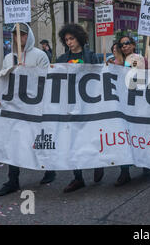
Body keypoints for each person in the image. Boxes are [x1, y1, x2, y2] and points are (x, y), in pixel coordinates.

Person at [0, 23, 56, 197]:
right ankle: (13, 180)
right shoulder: (8, 58)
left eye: (22, 35)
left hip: (35, 107)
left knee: (38, 140)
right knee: (13, 142)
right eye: (15, 35)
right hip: (14, 108)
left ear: (29, 36)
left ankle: (49, 169)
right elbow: (3, 80)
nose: (18, 38)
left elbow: (45, 80)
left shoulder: (40, 56)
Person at [56, 23, 104, 193]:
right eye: (66, 39)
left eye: (72, 38)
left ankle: (98, 163)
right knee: (73, 141)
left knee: (91, 137)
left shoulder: (91, 56)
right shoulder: (62, 60)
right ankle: (78, 177)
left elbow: (100, 78)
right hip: (70, 105)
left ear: (79, 38)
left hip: (89, 104)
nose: (69, 42)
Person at [114, 35, 150, 186]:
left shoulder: (139, 59)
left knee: (141, 133)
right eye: (122, 45)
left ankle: (147, 163)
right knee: (124, 135)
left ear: (134, 45)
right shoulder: (116, 61)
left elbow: (138, 75)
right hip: (122, 102)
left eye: (127, 43)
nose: (125, 47)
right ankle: (124, 171)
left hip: (139, 100)